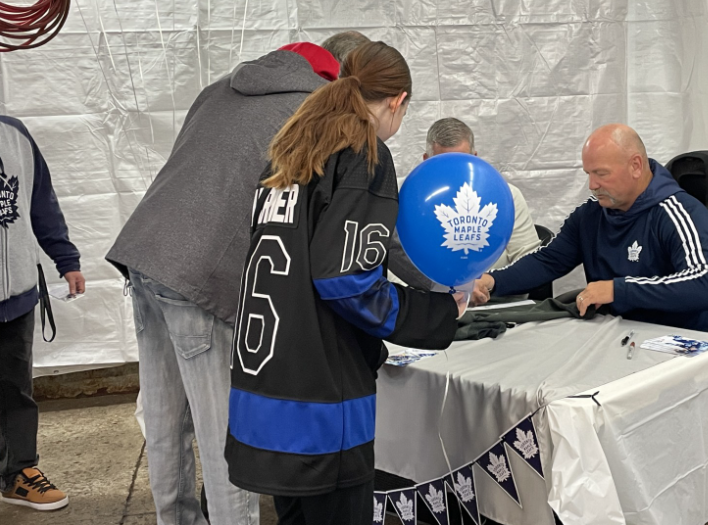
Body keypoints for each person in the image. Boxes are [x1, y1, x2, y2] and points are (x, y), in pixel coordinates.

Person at [106, 33, 369, 525]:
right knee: (227, 439)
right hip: (201, 274)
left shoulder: (222, 87)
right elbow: (349, 222)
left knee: (165, 425)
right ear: (343, 77)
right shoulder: (316, 110)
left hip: (144, 253)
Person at [224, 42, 467, 525]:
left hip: (264, 389)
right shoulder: (363, 153)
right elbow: (346, 279)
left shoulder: (292, 147)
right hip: (319, 405)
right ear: (397, 101)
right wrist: (438, 313)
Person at [473, 124, 708, 331]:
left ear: (636, 166)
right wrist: (493, 281)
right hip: (613, 334)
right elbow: (548, 260)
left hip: (676, 342)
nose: (592, 184)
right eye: (588, 174)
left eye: (601, 174)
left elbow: (707, 285)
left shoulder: (680, 212)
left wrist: (618, 289)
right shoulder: (591, 213)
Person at [0, 116, 85, 511]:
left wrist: (66, 259)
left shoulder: (14, 134)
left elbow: (40, 202)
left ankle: (19, 473)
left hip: (15, 295)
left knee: (16, 390)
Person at [387, 118, 542, 296]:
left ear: (475, 158)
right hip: (430, 303)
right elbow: (394, 265)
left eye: (462, 161)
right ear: (426, 161)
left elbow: (529, 260)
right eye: (445, 163)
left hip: (496, 302)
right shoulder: (406, 201)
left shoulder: (507, 195)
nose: (455, 171)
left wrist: (487, 284)